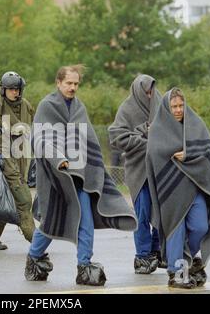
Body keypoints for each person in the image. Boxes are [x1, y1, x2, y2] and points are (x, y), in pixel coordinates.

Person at [25, 65, 137, 286]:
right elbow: (40, 139)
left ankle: (84, 266)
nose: (73, 87)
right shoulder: (47, 106)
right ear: (58, 83)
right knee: (51, 223)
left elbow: (89, 140)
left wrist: (92, 167)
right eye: (68, 83)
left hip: (81, 177)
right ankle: (34, 257)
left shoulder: (79, 108)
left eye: (76, 84)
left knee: (85, 220)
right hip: (56, 179)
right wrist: (59, 158)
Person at [146, 88, 210, 288]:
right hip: (170, 191)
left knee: (200, 226)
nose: (178, 110)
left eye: (181, 106)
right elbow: (154, 156)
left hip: (195, 188)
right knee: (175, 230)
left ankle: (184, 259)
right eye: (174, 106)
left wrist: (189, 153)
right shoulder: (158, 129)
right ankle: (175, 273)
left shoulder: (195, 125)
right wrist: (174, 153)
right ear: (167, 108)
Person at [108, 74, 164, 274]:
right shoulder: (126, 109)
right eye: (146, 91)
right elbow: (116, 136)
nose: (149, 95)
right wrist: (146, 139)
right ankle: (142, 255)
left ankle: (158, 251)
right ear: (138, 90)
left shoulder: (160, 104)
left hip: (160, 170)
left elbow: (172, 130)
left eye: (151, 91)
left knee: (161, 212)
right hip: (138, 171)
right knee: (142, 214)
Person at [0, 71, 36, 250]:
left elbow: (32, 127)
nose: (15, 92)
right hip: (3, 159)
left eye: (17, 89)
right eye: (11, 89)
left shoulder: (27, 106)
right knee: (23, 200)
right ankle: (37, 242)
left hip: (21, 157)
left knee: (5, 199)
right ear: (3, 90)